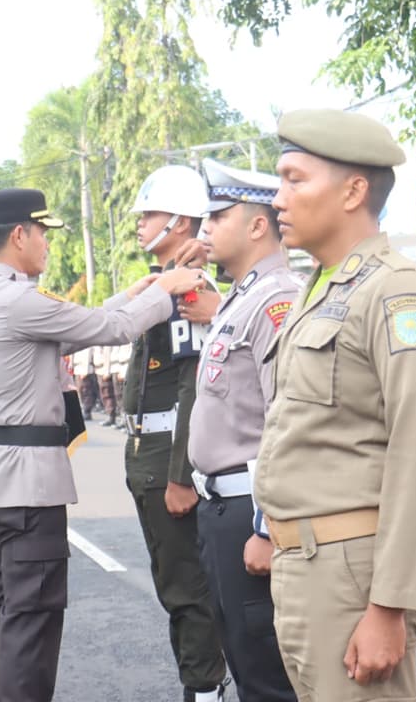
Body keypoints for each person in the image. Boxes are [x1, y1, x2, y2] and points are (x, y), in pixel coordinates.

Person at [0, 188, 202, 702]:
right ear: (20, 234)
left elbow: (73, 331)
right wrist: (168, 289)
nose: (47, 244)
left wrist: (137, 294)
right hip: (30, 486)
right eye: (43, 233)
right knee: (31, 618)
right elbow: (110, 330)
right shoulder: (20, 300)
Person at [253, 109, 416, 701]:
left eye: (295, 179)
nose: (279, 198)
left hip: (353, 573)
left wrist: (391, 605)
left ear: (353, 191)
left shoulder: (397, 291)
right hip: (306, 564)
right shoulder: (323, 287)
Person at [184, 159, 300, 701]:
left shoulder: (276, 299)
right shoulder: (241, 297)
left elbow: (287, 419)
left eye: (217, 217)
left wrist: (265, 526)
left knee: (267, 676)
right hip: (220, 510)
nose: (204, 229)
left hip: (249, 511)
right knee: (243, 656)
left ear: (258, 225)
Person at [124, 165, 228, 702]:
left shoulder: (189, 288)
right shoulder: (164, 281)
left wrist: (181, 475)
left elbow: (193, 388)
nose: (141, 223)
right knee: (175, 582)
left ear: (181, 222)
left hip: (168, 455)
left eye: (151, 214)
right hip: (147, 450)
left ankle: (205, 688)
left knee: (186, 586)